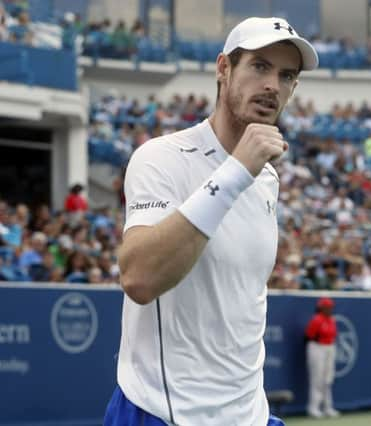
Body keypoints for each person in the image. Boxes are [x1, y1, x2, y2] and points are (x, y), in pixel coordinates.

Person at [103, 16, 318, 426]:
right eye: (259, 66)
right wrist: (236, 171)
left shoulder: (267, 177)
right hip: (166, 412)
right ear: (223, 69)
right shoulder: (162, 157)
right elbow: (139, 278)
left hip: (248, 415)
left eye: (287, 75)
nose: (273, 84)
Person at [305, 297, 339, 418]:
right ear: (321, 307)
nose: (330, 309)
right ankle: (313, 408)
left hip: (329, 348)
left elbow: (334, 335)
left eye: (331, 307)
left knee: (328, 379)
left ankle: (327, 407)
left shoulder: (332, 320)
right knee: (317, 379)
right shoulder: (316, 320)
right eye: (327, 307)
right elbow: (309, 336)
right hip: (317, 348)